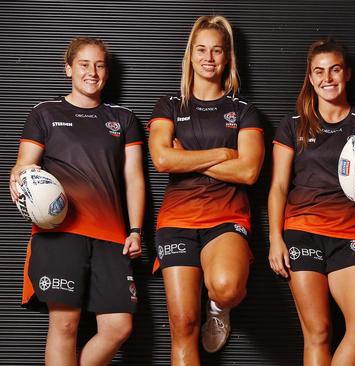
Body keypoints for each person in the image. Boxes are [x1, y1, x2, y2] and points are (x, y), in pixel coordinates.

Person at [9, 37, 144, 366]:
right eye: (84, 64)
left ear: (107, 73)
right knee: (65, 324)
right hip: (59, 233)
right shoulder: (45, 113)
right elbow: (24, 164)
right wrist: (17, 178)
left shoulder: (123, 119)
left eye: (99, 65)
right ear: (69, 68)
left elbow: (134, 178)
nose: (92, 72)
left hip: (112, 237)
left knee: (118, 327)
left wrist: (136, 230)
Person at [268, 39, 355, 366]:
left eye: (335, 69)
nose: (328, 78)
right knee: (318, 332)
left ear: (347, 74)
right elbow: (279, 186)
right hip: (302, 231)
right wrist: (274, 238)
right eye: (319, 71)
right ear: (311, 79)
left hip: (350, 234)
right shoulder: (293, 125)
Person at [148, 15, 264, 364]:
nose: (208, 58)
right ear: (190, 55)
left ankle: (218, 307)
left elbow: (248, 171)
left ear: (227, 58)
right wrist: (221, 154)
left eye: (216, 51)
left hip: (226, 217)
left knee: (227, 288)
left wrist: (188, 157)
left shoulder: (243, 111)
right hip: (176, 221)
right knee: (183, 324)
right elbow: (162, 161)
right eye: (201, 50)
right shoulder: (169, 105)